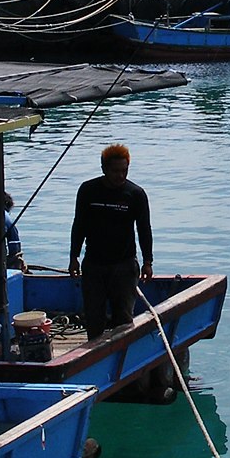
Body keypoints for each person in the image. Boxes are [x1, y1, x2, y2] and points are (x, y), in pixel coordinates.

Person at [68, 143, 154, 340]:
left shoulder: (136, 194)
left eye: (124, 171)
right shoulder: (88, 190)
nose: (120, 176)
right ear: (104, 169)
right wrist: (74, 257)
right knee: (94, 317)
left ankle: (122, 361)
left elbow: (144, 229)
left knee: (123, 320)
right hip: (94, 265)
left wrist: (148, 261)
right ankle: (93, 357)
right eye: (115, 171)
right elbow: (79, 224)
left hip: (123, 265)